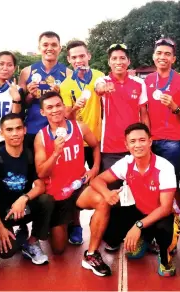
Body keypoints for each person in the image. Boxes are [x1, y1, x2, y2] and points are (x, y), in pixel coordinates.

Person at [33, 92, 115, 277]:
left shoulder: (80, 127)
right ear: (43, 112)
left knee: (103, 202)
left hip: (78, 188)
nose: (55, 110)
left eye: (58, 105)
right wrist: (55, 153)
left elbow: (95, 146)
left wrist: (94, 168)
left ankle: (92, 254)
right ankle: (64, 224)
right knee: (59, 250)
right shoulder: (41, 137)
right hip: (57, 194)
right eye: (50, 107)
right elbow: (41, 173)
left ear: (64, 106)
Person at [90, 123, 180, 277]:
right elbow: (96, 181)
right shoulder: (126, 163)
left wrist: (137, 226)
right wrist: (107, 194)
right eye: (132, 141)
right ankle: (144, 239)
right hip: (139, 211)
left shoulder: (164, 167)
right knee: (110, 231)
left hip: (162, 216)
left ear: (150, 141)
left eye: (142, 140)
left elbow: (165, 208)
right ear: (126, 144)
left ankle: (165, 256)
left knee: (164, 230)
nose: (137, 145)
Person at [0, 113, 52, 265]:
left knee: (46, 200)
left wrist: (24, 199)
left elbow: (40, 185)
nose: (15, 133)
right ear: (1, 133)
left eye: (18, 128)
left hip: (23, 208)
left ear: (25, 130)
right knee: (7, 252)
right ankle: (5, 234)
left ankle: (32, 241)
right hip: (2, 212)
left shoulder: (30, 155)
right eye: (9, 130)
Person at [59, 40, 106, 246]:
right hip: (76, 143)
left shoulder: (98, 76)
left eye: (82, 56)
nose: (79, 60)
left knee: (104, 183)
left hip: (98, 140)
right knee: (73, 186)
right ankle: (75, 224)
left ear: (89, 56)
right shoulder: (66, 85)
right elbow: (65, 116)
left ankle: (107, 225)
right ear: (69, 60)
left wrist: (103, 88)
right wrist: (74, 108)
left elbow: (104, 87)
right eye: (74, 57)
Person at [94, 43, 149, 191]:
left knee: (138, 190)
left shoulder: (139, 83)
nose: (119, 62)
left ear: (128, 61)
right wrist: (102, 89)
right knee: (113, 191)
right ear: (109, 62)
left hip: (135, 145)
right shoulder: (103, 81)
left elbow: (143, 113)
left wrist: (147, 140)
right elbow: (98, 88)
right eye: (114, 58)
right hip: (111, 148)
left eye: (122, 58)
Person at [144, 37, 180, 202]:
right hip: (150, 140)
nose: (162, 57)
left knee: (172, 183)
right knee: (151, 182)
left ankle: (176, 219)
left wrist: (173, 106)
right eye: (159, 53)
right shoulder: (147, 81)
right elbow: (143, 111)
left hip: (172, 141)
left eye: (167, 54)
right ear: (153, 56)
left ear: (173, 59)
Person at [17, 31, 72, 151]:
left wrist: (59, 95)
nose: (50, 48)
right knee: (33, 168)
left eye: (54, 45)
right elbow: (20, 105)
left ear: (59, 48)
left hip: (59, 129)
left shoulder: (68, 73)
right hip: (33, 127)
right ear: (39, 48)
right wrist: (30, 95)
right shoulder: (26, 72)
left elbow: (70, 106)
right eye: (45, 45)